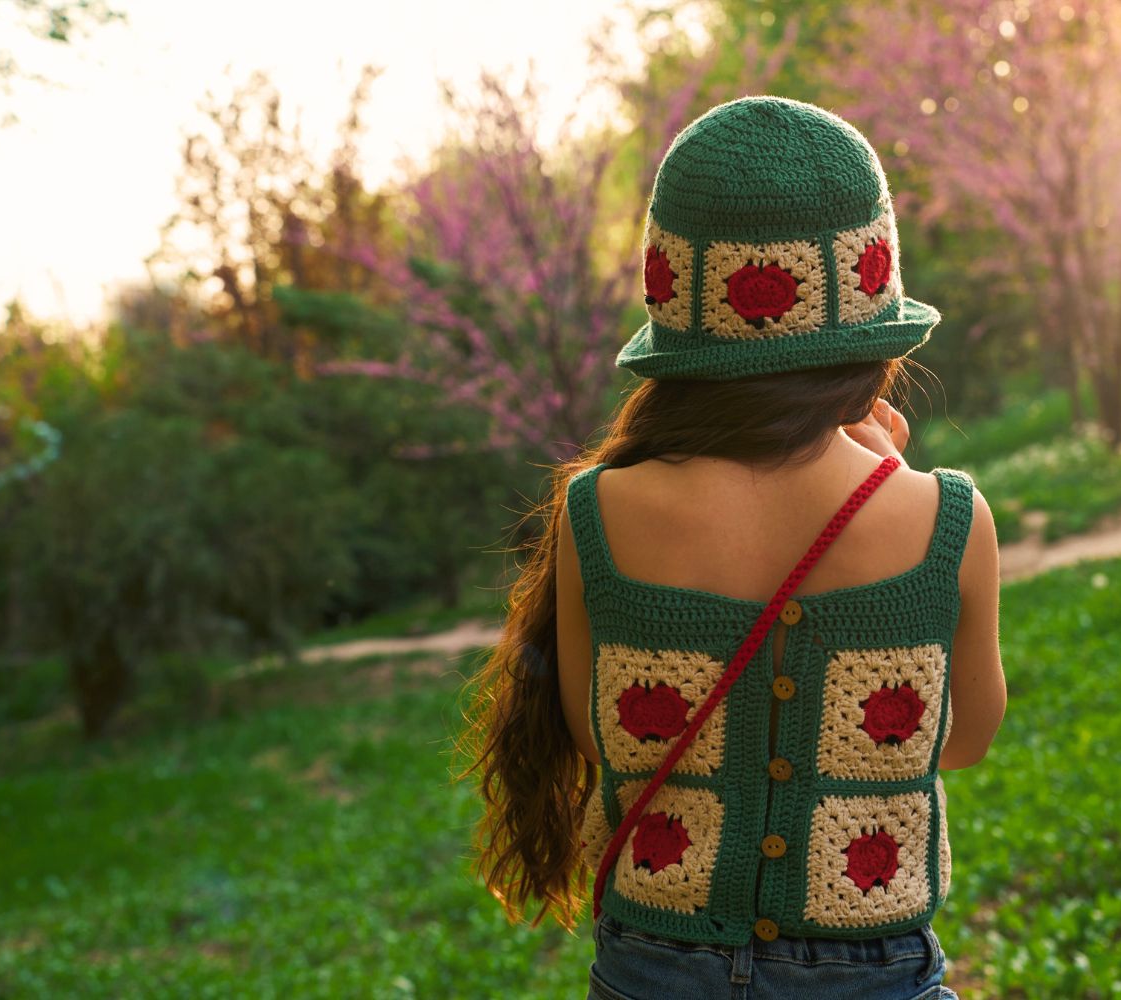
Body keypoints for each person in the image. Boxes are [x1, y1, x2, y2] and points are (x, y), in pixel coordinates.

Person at [457, 96, 1006, 1000]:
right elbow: (962, 738)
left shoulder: (599, 508)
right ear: (868, 322)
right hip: (871, 973)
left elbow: (597, 733)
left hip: (651, 966)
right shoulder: (946, 519)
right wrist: (889, 478)